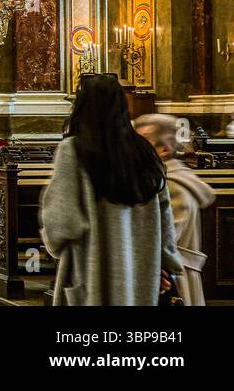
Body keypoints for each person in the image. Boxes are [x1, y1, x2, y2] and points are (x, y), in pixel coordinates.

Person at [40, 73, 183, 305]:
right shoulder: (144, 151)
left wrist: (51, 241)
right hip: (142, 275)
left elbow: (63, 223)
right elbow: (165, 219)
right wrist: (165, 266)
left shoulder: (73, 150)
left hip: (93, 273)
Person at [135, 113, 215, 305]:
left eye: (141, 143)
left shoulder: (172, 185)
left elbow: (165, 241)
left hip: (173, 279)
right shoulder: (162, 178)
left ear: (164, 149)